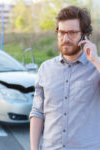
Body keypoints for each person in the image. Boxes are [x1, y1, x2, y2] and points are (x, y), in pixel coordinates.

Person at [30, 5, 100, 150]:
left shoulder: (96, 67)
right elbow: (38, 111)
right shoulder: (45, 69)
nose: (65, 38)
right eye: (61, 32)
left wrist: (95, 61)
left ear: (85, 35)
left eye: (72, 32)